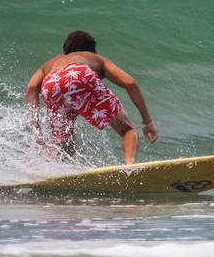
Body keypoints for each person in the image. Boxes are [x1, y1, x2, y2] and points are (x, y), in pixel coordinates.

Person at [27, 30, 158, 164]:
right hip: (78, 73)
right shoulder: (92, 57)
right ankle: (130, 166)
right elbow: (130, 83)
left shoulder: (50, 63)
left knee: (63, 146)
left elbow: (31, 88)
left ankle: (42, 170)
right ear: (91, 49)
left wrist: (35, 128)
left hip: (50, 84)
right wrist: (147, 121)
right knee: (128, 130)